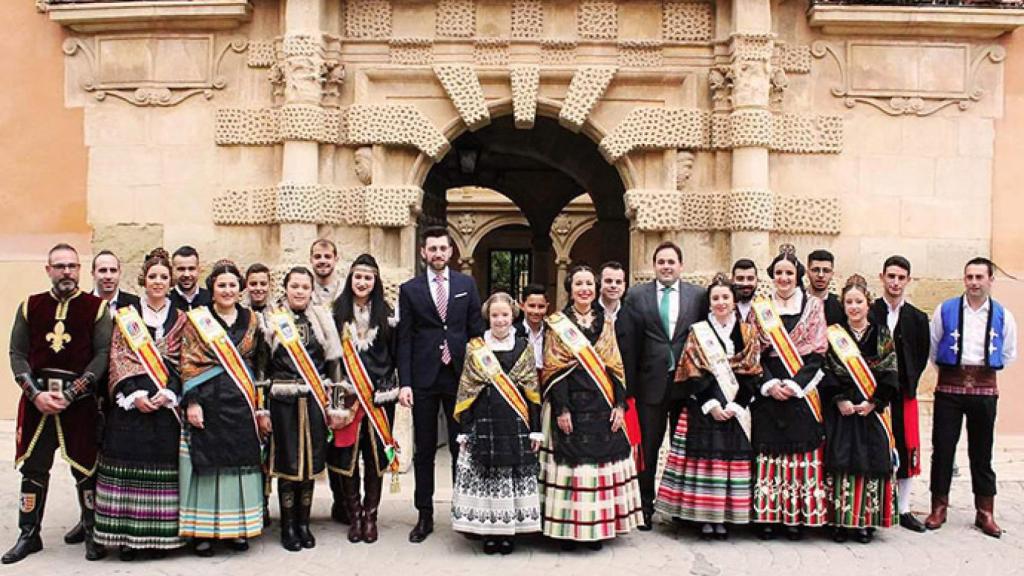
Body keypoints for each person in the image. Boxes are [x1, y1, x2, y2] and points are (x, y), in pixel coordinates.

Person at [3, 243, 111, 564]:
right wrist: (35, 393)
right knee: (33, 469)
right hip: (37, 401)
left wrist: (72, 393)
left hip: (79, 404)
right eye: (60, 266)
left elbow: (102, 356)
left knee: (86, 470)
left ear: (80, 270)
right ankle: (29, 534)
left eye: (72, 266)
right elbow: (17, 354)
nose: (67, 272)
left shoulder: (96, 308)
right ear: (48, 270)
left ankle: (92, 532)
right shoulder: (30, 306)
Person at [539, 265, 643, 549]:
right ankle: (567, 531)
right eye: (578, 284)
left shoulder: (606, 323)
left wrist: (620, 405)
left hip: (602, 404)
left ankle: (595, 529)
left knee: (597, 469)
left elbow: (616, 368)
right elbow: (553, 369)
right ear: (570, 289)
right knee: (571, 469)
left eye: (588, 284)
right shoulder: (557, 324)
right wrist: (561, 409)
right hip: (569, 404)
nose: (584, 289)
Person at [94, 248, 187, 559]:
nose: (158, 282)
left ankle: (158, 539)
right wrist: (134, 394)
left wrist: (170, 392)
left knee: (161, 472)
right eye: (152, 277)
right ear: (143, 280)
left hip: (166, 407)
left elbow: (185, 362)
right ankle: (126, 538)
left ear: (170, 281)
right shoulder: (128, 316)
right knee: (127, 469)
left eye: (163, 277)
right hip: (132, 407)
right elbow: (118, 356)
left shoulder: (182, 319)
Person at [655, 274, 762, 540]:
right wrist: (712, 403)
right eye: (715, 298)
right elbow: (691, 371)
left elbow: (752, 371)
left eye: (726, 297)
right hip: (704, 407)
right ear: (709, 302)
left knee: (730, 462)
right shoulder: (698, 331)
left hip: (737, 408)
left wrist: (737, 405)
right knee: (705, 463)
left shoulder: (748, 332)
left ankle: (726, 517)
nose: (721, 302)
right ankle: (704, 517)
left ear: (734, 301)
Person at [397, 226, 484, 543]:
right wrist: (404, 382)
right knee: (424, 450)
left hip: (459, 378)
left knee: (463, 447)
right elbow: (404, 339)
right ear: (423, 252)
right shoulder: (410, 289)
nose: (437, 254)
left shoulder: (466, 284)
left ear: (451, 252)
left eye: (442, 249)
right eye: (431, 248)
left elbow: (476, 332)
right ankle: (425, 514)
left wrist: (479, 378)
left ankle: (463, 510)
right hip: (423, 378)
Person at [178, 262, 267, 556]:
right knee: (208, 465)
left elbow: (256, 362)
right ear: (212, 289)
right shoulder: (198, 320)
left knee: (239, 464)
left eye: (232, 285)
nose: (228, 291)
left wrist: (259, 405)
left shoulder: (252, 319)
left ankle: (236, 529)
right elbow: (188, 361)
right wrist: (192, 402)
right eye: (221, 285)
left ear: (240, 288)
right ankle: (204, 533)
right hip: (208, 399)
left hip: (240, 399)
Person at [925, 257, 1017, 538]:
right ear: (964, 279)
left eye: (979, 277)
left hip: (985, 390)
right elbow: (934, 346)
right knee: (942, 449)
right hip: (950, 388)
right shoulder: (946, 309)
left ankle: (985, 511)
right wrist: (955, 371)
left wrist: (979, 373)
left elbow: (1009, 352)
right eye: (969, 277)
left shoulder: (1004, 314)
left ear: (991, 280)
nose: (974, 283)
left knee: (982, 452)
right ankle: (939, 506)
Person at [617, 241, 705, 529]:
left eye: (671, 262)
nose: (666, 266)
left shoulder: (698, 296)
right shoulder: (636, 296)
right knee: (649, 448)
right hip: (649, 384)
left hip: (685, 383)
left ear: (681, 265)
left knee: (684, 448)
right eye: (661, 262)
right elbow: (629, 343)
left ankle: (681, 509)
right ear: (654, 266)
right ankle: (644, 506)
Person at [452, 292, 542, 554]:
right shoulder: (476, 347)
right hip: (484, 420)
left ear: (513, 315)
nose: (500, 320)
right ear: (487, 317)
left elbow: (532, 391)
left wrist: (536, 429)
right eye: (495, 315)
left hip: (516, 421)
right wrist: (466, 429)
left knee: (510, 476)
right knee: (487, 476)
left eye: (504, 315)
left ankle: (509, 534)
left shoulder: (523, 345)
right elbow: (467, 389)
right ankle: (489, 533)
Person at [749, 246, 828, 541]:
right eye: (779, 273)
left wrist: (794, 385)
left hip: (802, 392)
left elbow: (818, 354)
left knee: (798, 455)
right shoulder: (761, 308)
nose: (784, 278)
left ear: (798, 277)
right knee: (770, 456)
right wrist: (769, 384)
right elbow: (752, 353)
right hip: (768, 392)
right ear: (772, 276)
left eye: (789, 273)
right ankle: (768, 517)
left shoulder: (814, 307)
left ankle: (795, 518)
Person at [264, 266, 344, 551]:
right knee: (288, 466)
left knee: (310, 466)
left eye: (304, 287)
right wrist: (262, 410)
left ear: (312, 290)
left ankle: (303, 524)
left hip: (313, 399)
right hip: (283, 400)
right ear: (285, 288)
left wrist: (336, 407)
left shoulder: (322, 318)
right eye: (294, 286)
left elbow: (334, 364)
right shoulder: (272, 319)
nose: (299, 291)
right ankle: (287, 526)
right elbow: (262, 366)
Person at [328, 255, 399, 544]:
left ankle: (370, 516)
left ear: (375, 281)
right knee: (347, 456)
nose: (362, 283)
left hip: (379, 395)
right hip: (347, 393)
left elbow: (394, 352)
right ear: (351, 279)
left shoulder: (387, 312)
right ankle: (353, 514)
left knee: (375, 457)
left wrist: (386, 383)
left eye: (368, 278)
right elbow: (329, 355)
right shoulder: (337, 312)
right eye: (358, 277)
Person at [822, 275, 897, 544]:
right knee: (843, 461)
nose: (854, 307)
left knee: (870, 461)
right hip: (843, 409)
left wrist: (874, 402)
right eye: (849, 302)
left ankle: (866, 521)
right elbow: (827, 370)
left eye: (859, 302)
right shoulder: (834, 335)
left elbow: (889, 371)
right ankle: (842, 520)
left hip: (870, 409)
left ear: (868, 304)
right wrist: (839, 399)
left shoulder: (881, 334)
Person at [871, 256, 930, 532]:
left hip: (904, 392)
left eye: (900, 277)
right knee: (875, 444)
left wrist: (909, 382)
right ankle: (875, 504)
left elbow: (921, 353)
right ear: (882, 277)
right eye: (891, 276)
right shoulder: (870, 312)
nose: (895, 282)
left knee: (907, 446)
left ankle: (904, 508)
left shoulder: (917, 318)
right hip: (874, 392)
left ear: (908, 280)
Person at [91, 250, 140, 317]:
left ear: (119, 273)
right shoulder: (82, 305)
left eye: (113, 270)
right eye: (103, 270)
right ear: (93, 274)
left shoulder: (135, 304)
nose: (108, 276)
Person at [515, 283, 548, 372]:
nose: (536, 311)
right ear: (522, 306)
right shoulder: (513, 332)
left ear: (547, 307)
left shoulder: (552, 332)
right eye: (531, 306)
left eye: (541, 306)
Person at [806, 249, 845, 325]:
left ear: (832, 274)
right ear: (807, 272)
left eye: (826, 270)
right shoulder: (796, 302)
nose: (820, 275)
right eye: (815, 270)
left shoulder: (840, 306)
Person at [169, 245, 212, 311]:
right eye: (181, 269)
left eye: (191, 269)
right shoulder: (166, 301)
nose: (187, 274)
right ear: (172, 271)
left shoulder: (211, 299)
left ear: (198, 270)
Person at [310, 239, 344, 307]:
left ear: (335, 260)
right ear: (311, 260)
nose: (322, 261)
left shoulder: (346, 289)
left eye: (327, 257)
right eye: (317, 257)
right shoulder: (304, 289)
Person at [731, 258, 759, 323]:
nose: (745, 283)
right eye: (740, 279)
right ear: (732, 280)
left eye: (750, 278)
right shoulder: (724, 306)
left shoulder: (766, 306)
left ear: (757, 280)